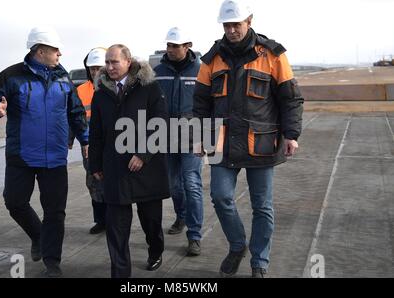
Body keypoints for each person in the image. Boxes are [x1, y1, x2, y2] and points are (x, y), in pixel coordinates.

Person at [193, 0, 304, 278]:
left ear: (249, 21)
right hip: (223, 142)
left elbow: (291, 99)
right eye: (227, 25)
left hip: (261, 142)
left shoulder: (273, 54)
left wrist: (291, 134)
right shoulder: (211, 59)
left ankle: (259, 262)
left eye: (236, 24)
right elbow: (200, 104)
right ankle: (237, 245)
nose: (231, 30)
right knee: (220, 197)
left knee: (262, 206)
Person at [0, 26, 89, 278]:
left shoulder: (64, 79)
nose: (60, 54)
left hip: (54, 157)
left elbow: (75, 113)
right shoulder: (12, 75)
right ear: (41, 51)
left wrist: (85, 140)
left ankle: (52, 263)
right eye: (55, 50)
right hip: (21, 155)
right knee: (15, 202)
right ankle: (39, 236)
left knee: (55, 211)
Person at [89, 44, 169, 278]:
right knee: (116, 227)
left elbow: (161, 124)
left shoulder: (150, 88)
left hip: (147, 168)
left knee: (151, 221)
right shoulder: (101, 93)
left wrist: (143, 154)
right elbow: (96, 133)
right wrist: (95, 165)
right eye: (107, 62)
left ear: (128, 61)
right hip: (115, 168)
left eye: (114, 62)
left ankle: (155, 251)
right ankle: (120, 273)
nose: (109, 67)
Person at [154, 27, 203, 256]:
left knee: (192, 184)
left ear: (188, 46)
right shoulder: (157, 72)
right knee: (173, 185)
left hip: (193, 138)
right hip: (166, 138)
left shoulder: (202, 70)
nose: (170, 49)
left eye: (175, 45)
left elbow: (210, 105)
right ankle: (181, 216)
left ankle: (194, 235)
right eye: (168, 45)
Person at [69, 47, 107, 235]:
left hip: (112, 144)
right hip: (89, 145)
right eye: (92, 68)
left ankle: (113, 219)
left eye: (98, 67)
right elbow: (73, 116)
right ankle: (100, 220)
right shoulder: (81, 90)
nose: (95, 72)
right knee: (94, 182)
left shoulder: (115, 86)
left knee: (112, 183)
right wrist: (70, 140)